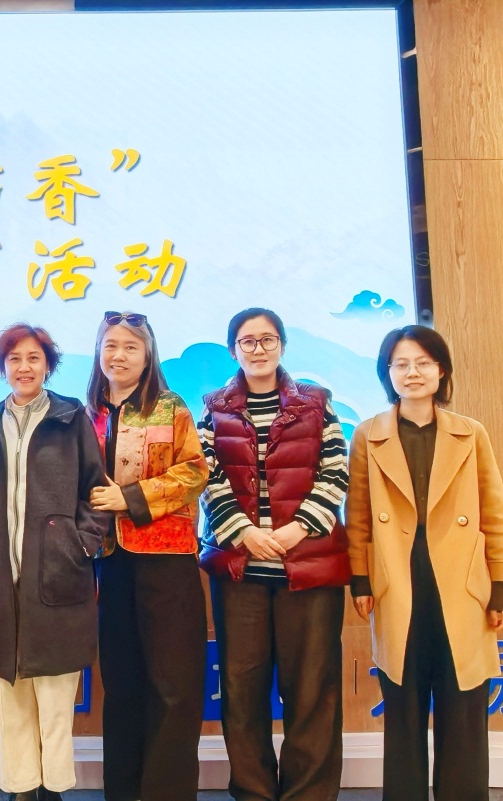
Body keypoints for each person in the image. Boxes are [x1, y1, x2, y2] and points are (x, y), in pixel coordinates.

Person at [346, 325, 503, 801]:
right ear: (388, 373)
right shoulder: (368, 435)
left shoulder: (471, 433)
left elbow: (496, 510)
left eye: (423, 363)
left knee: (463, 710)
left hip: (462, 586)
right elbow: (357, 516)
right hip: (397, 584)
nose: (413, 372)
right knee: (402, 712)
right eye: (401, 364)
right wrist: (360, 580)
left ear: (441, 370)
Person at [198, 308, 350, 801]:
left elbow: (335, 471)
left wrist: (294, 532)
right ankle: (254, 792)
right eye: (247, 341)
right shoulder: (214, 408)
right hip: (241, 572)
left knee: (312, 691)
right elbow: (205, 477)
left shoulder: (316, 403)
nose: (258, 349)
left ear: (282, 345)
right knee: (242, 692)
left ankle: (309, 794)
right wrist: (243, 532)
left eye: (267, 339)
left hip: (308, 568)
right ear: (233, 350)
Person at [0, 324, 107, 801]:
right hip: (1, 577)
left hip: (58, 575)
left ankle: (53, 790)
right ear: (2, 367)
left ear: (48, 365)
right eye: (14, 359)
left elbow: (97, 491)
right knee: (8, 698)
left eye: (33, 358)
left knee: (53, 700)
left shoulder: (71, 419)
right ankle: (19, 789)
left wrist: (80, 545)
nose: (24, 367)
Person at [86, 311, 208, 801]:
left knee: (173, 686)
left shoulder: (170, 407)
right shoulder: (85, 413)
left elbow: (195, 472)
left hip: (167, 560)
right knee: (121, 684)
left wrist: (129, 497)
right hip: (109, 560)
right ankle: (123, 790)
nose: (119, 355)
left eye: (130, 347)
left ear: (148, 354)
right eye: (111, 345)